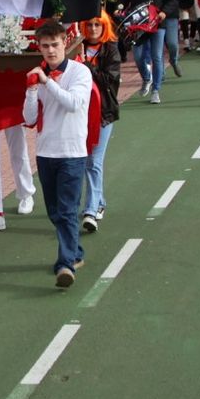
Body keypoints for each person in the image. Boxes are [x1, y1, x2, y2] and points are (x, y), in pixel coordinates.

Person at [23, 21, 93, 288]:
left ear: (65, 42)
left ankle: (65, 265)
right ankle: (75, 253)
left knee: (66, 210)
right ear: (38, 47)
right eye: (45, 46)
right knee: (54, 211)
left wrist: (46, 83)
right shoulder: (39, 74)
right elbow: (28, 117)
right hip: (45, 151)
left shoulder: (80, 72)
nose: (51, 50)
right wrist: (31, 90)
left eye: (55, 44)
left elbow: (74, 103)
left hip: (73, 151)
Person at [77, 13, 121, 234]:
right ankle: (100, 201)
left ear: (105, 27)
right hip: (81, 114)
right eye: (89, 24)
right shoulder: (77, 46)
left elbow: (109, 80)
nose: (93, 28)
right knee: (86, 160)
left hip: (104, 113)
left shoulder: (111, 49)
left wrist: (86, 66)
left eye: (98, 24)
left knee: (94, 161)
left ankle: (91, 211)